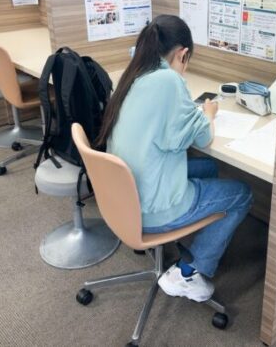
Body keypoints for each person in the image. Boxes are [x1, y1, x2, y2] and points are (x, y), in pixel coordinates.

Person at [97, 15, 252, 302]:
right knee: (242, 193)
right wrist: (208, 114)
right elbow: (203, 138)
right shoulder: (169, 80)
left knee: (209, 167)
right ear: (182, 54)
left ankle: (192, 238)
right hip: (151, 207)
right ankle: (187, 273)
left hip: (125, 198)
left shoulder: (135, 73)